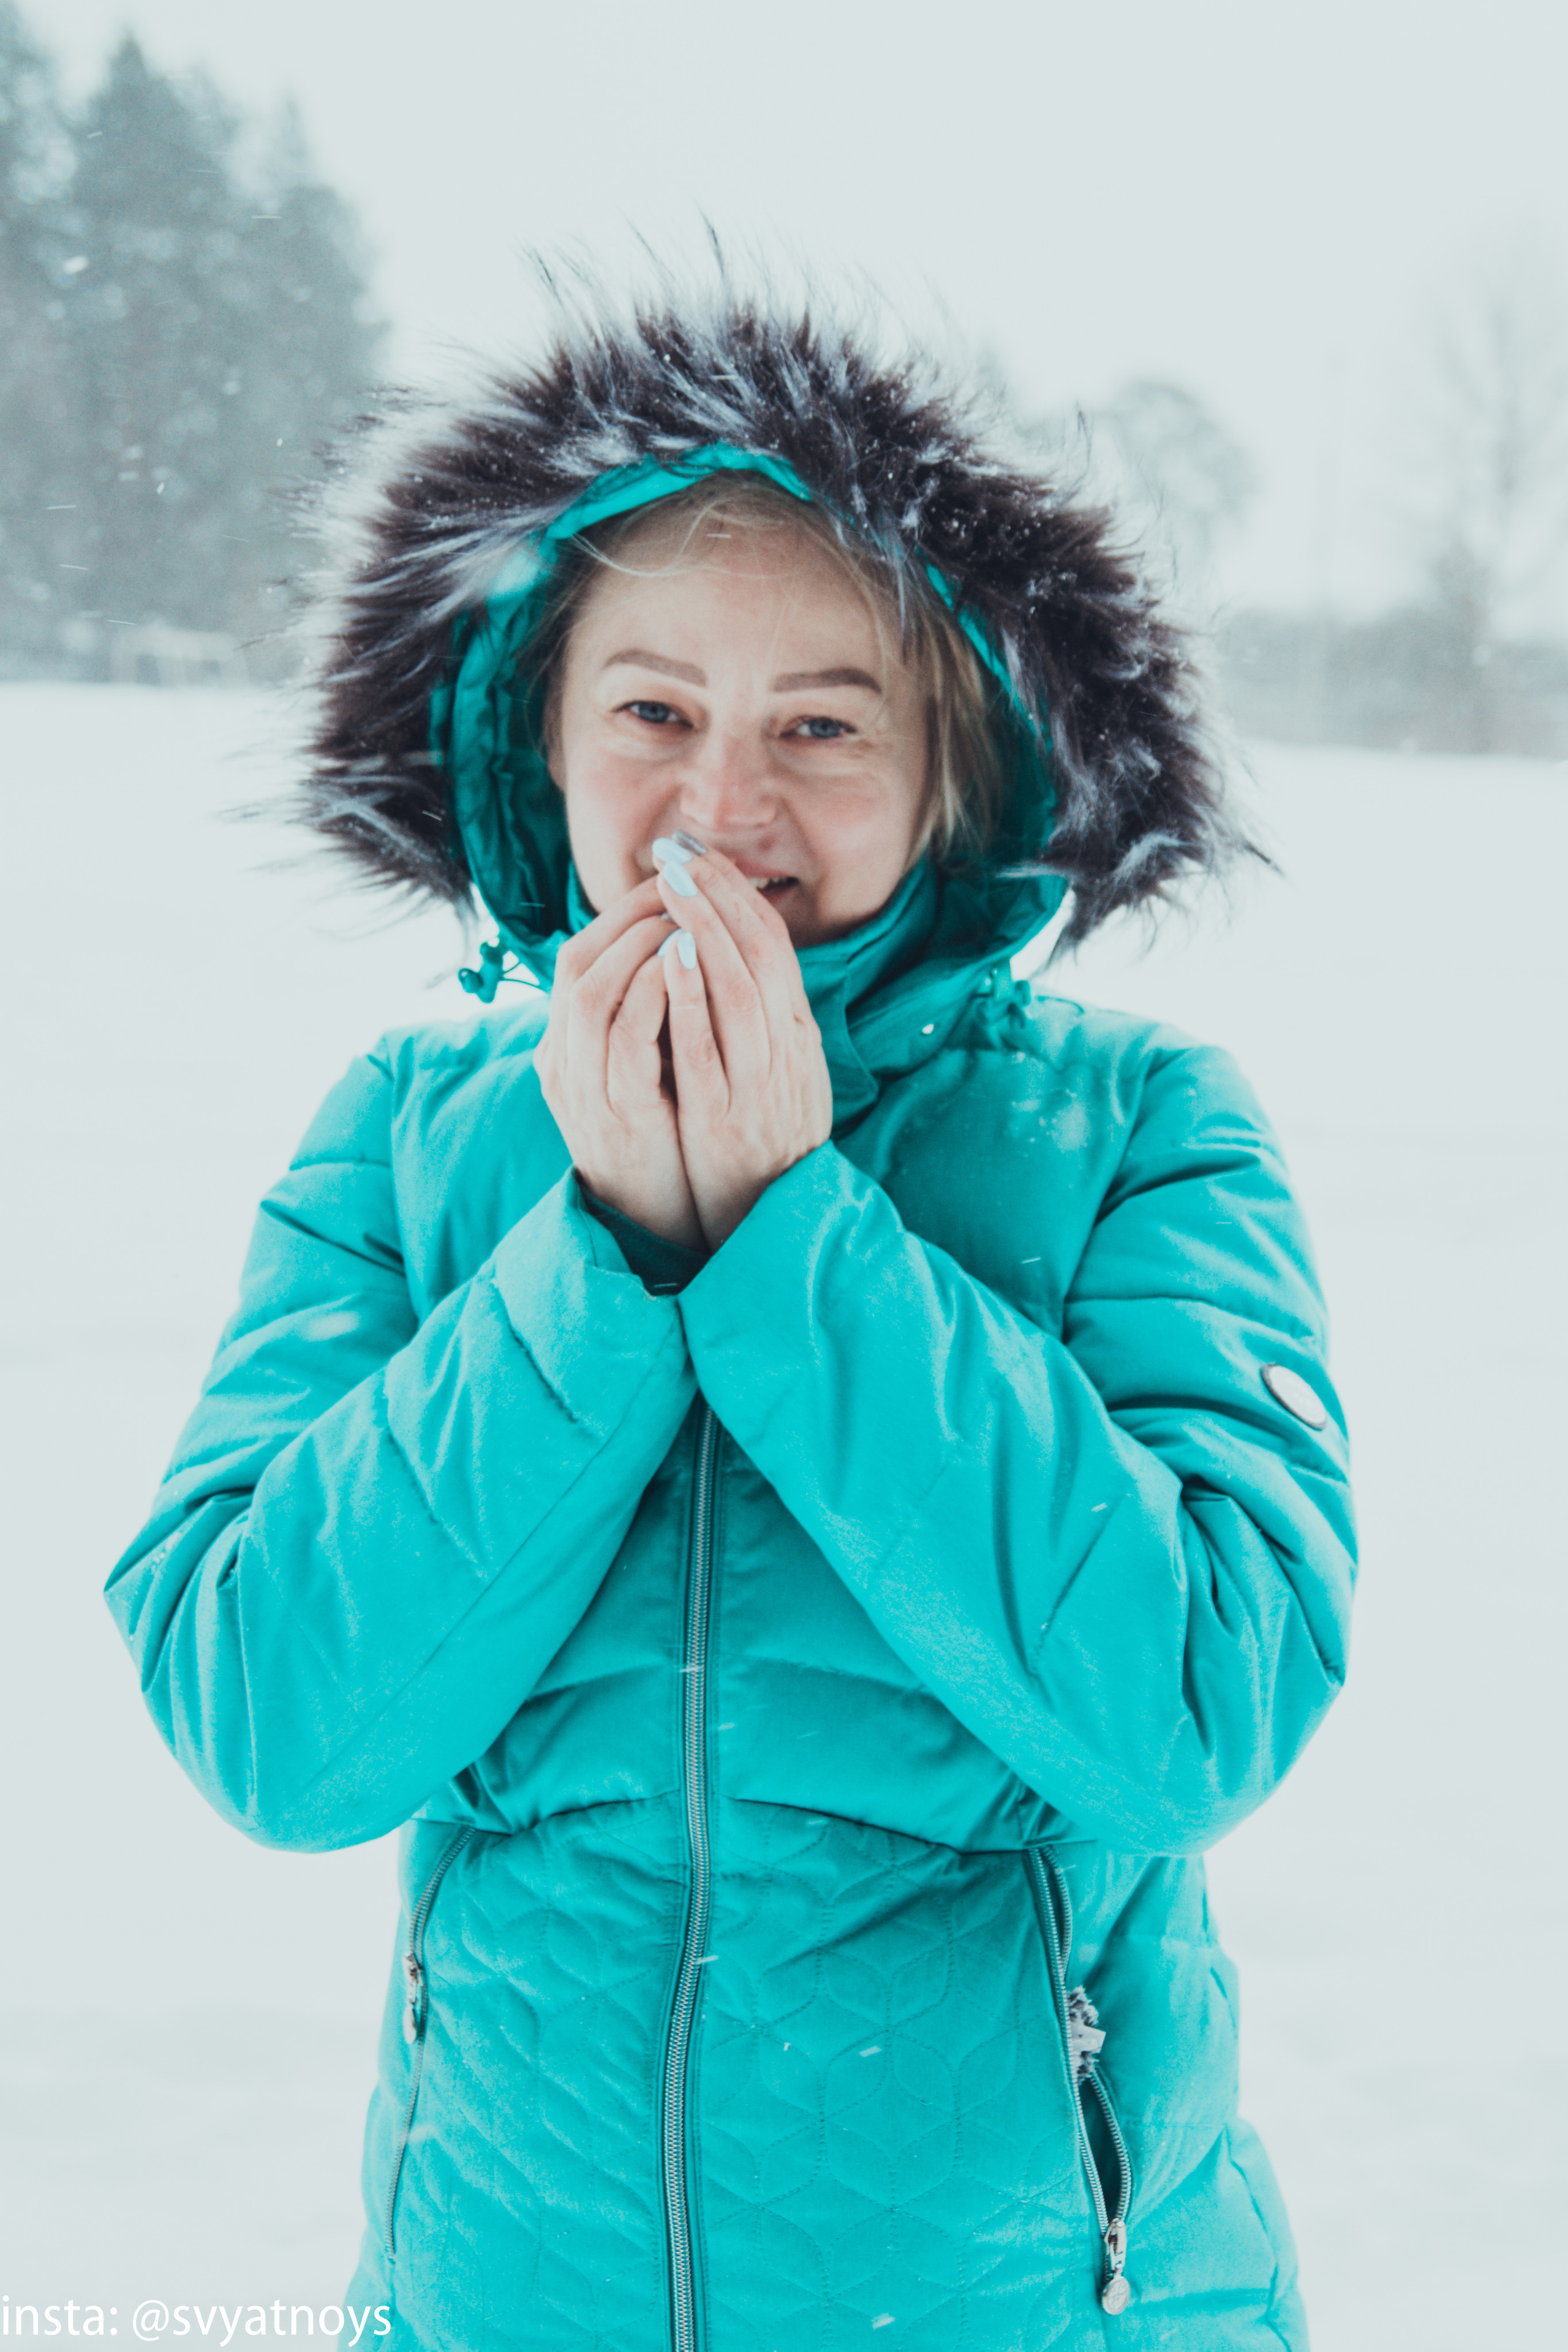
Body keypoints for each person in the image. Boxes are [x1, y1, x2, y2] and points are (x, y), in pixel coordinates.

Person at [107, 288, 1355, 2351]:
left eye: (824, 726)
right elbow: (275, 1721)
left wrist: (795, 1247)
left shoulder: (1138, 1130)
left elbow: (1199, 1705)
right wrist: (596, 1257)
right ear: (539, 743)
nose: (723, 805)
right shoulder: (410, 1137)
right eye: (654, 712)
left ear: (960, 775)